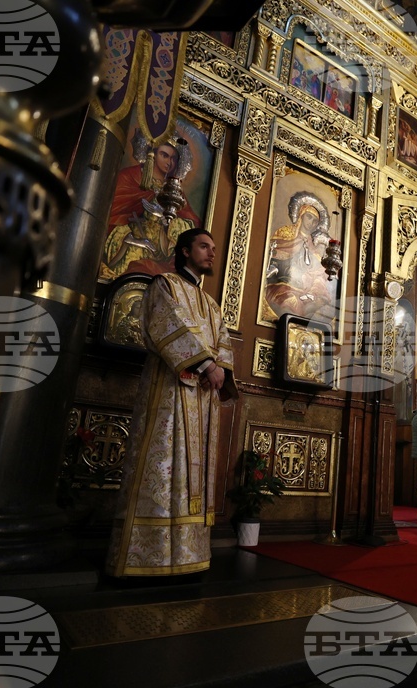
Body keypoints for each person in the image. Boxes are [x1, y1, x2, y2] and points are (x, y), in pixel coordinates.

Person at [106, 228, 239, 577]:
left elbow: (222, 339)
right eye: (203, 246)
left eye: (213, 247)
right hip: (169, 393)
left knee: (193, 474)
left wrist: (220, 369)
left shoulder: (211, 304)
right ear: (184, 251)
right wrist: (207, 364)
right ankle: (144, 559)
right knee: (163, 461)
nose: (211, 253)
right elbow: (166, 325)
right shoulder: (163, 285)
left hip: (203, 398)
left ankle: (187, 556)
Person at [263, 191, 335, 319]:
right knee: (290, 302)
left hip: (305, 292)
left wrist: (314, 289)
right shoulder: (285, 233)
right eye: (309, 217)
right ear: (301, 215)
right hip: (283, 286)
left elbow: (319, 272)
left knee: (318, 309)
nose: (311, 223)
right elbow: (272, 256)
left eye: (315, 221)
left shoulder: (314, 246)